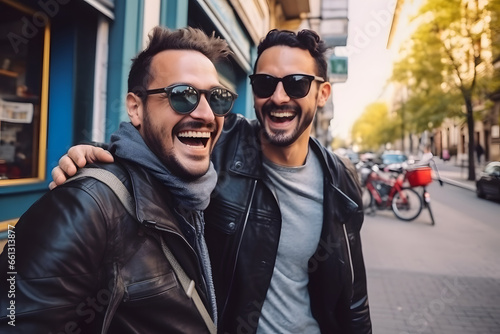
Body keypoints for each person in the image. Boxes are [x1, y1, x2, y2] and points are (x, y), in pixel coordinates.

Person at [51, 29, 372, 333]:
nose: (278, 96)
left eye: (297, 84)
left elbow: (353, 297)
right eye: (264, 84)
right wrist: (96, 156)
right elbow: (153, 146)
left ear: (322, 93)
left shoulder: (340, 179)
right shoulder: (219, 141)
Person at [0, 26, 238, 333]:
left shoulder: (192, 197)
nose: (206, 114)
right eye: (182, 95)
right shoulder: (86, 204)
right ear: (136, 108)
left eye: (217, 98)